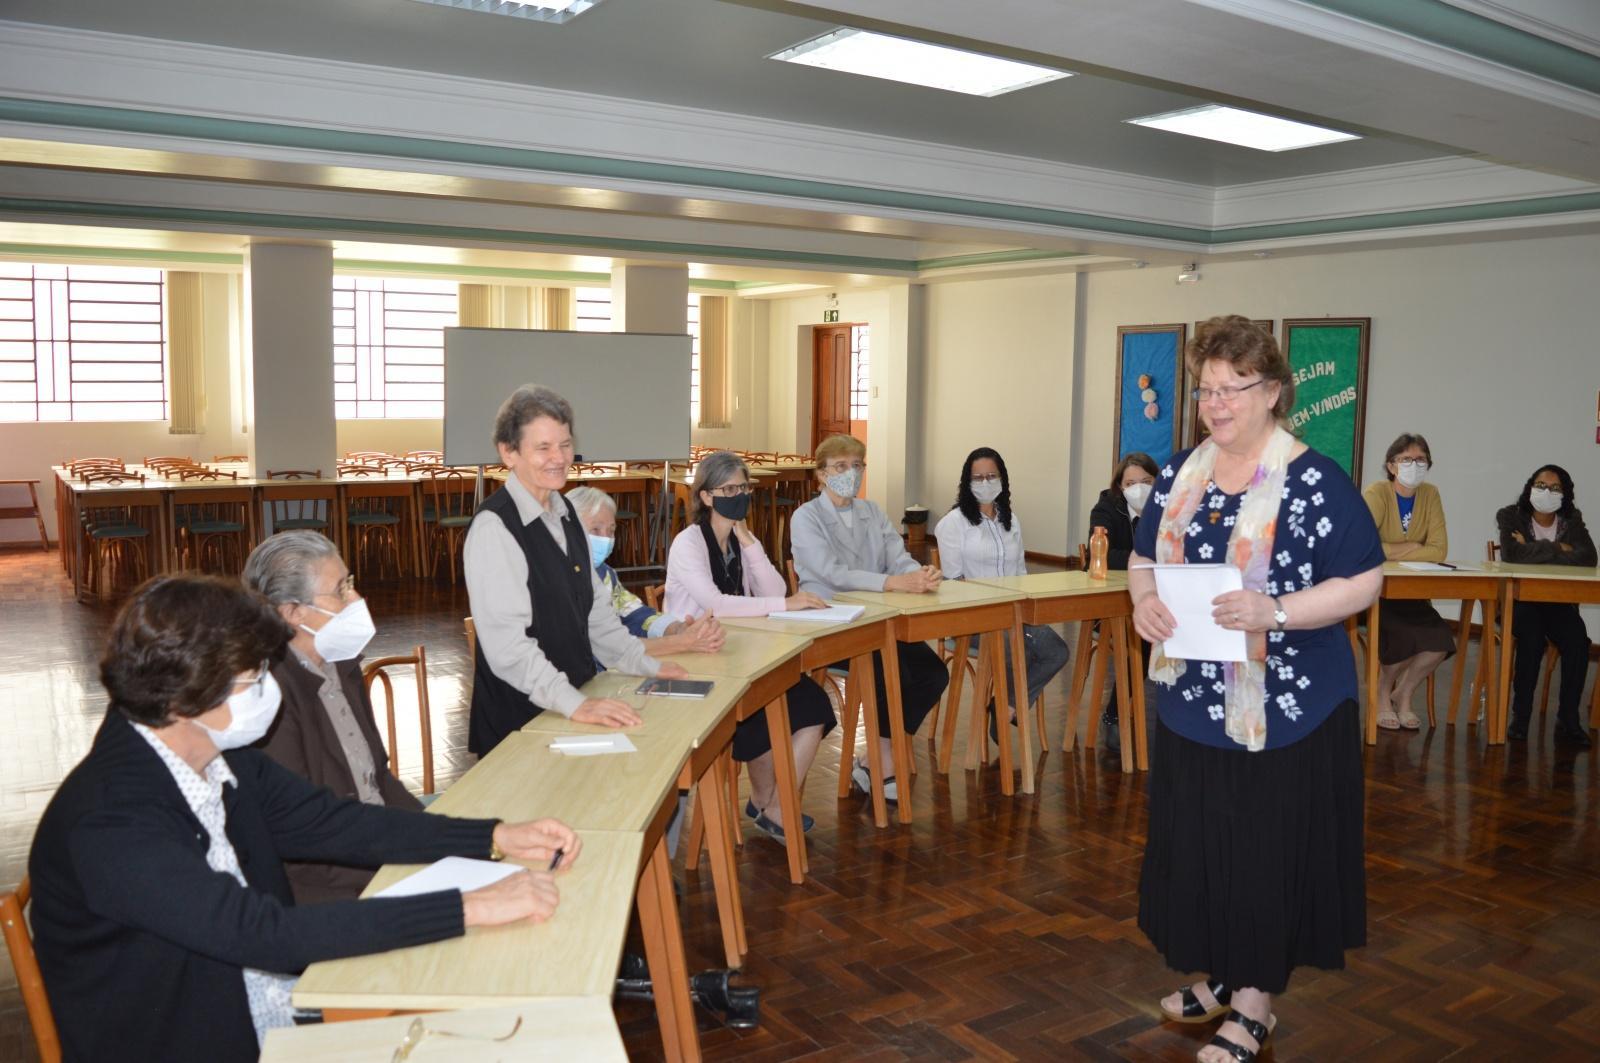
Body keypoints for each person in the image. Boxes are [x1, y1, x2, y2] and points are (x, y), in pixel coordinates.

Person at [28, 574, 581, 1063]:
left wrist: (492, 836)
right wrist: (470, 906)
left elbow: (335, 823)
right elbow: (259, 933)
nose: (269, 692)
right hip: (196, 1038)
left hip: (265, 1008)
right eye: (252, 680)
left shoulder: (219, 756)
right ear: (183, 696)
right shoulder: (110, 824)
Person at [1130, 315, 1384, 1063]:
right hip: (1193, 704)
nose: (1216, 402)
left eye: (1232, 388)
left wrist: (1275, 611)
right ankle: (1222, 975)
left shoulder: (1313, 478)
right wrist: (1143, 597)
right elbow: (1144, 555)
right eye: (1206, 388)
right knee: (1207, 848)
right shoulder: (1182, 471)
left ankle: (1254, 1004)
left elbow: (1365, 580)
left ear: (1272, 391)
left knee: (1263, 854)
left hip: (1287, 711)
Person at [463, 385, 689, 755]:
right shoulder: (495, 528)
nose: (559, 458)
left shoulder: (567, 514)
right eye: (543, 447)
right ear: (508, 452)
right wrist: (575, 703)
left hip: (571, 704)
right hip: (523, 725)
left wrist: (644, 664)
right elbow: (508, 648)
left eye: (565, 444)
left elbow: (597, 616)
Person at [241, 530, 425, 904]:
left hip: (377, 849)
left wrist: (433, 838)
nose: (357, 599)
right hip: (331, 887)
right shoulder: (267, 697)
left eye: (350, 583)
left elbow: (377, 777)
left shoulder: (340, 665)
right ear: (292, 613)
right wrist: (390, 877)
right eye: (341, 590)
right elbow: (301, 840)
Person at [663, 450, 839, 839]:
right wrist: (785, 604)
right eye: (729, 489)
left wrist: (749, 543)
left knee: (815, 705)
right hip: (700, 664)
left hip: (744, 655)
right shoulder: (688, 543)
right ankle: (767, 803)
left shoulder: (740, 541)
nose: (739, 495)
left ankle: (775, 805)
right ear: (706, 497)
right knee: (761, 710)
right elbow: (717, 605)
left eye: (744, 487)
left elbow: (774, 589)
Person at [790, 433, 949, 802]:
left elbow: (897, 556)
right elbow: (832, 573)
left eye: (857, 465)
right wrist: (894, 582)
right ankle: (883, 760)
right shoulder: (806, 517)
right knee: (884, 668)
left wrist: (918, 574)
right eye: (840, 467)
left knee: (932, 673)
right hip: (832, 621)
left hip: (881, 619)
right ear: (821, 475)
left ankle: (878, 751)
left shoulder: (872, 511)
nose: (850, 473)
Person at [933, 446, 1069, 737]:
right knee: (1010, 642)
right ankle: (1009, 710)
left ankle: (1005, 706)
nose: (985, 483)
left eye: (991, 476)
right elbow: (953, 583)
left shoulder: (1010, 519)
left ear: (1002, 479)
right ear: (966, 482)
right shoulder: (952, 524)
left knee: (1056, 650)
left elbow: (1020, 573)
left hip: (1014, 614)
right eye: (978, 477)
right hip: (970, 619)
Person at [1497, 464, 1596, 748]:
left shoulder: (1571, 521)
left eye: (1554, 488)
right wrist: (1557, 548)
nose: (1546, 492)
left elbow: (1588, 558)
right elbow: (1513, 554)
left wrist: (1532, 546)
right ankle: (1521, 717)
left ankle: (1568, 719)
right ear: (1530, 487)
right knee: (1532, 639)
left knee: (1578, 640)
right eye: (1541, 485)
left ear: (1564, 495)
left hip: (1556, 603)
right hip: (1520, 603)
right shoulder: (1511, 515)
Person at [566, 484, 726, 657]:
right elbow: (601, 643)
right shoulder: (555, 579)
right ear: (567, 529)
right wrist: (679, 643)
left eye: (611, 531)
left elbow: (635, 614)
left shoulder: (604, 573)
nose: (605, 538)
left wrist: (678, 628)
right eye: (595, 529)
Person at [1362, 433, 1454, 731]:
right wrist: (1410, 546)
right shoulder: (1377, 493)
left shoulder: (1431, 494)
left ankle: (1403, 694)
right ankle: (1381, 693)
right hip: (1379, 593)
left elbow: (1439, 550)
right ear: (1391, 466)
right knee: (1401, 636)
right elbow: (1364, 544)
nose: (1414, 465)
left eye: (1420, 460)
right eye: (1406, 460)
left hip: (1414, 592)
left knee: (1439, 640)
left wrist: (1388, 549)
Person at [1088, 451, 1159, 749]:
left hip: (1157, 599)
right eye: (1131, 482)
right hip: (1109, 603)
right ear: (1119, 486)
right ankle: (1115, 713)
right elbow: (1099, 557)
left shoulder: (1169, 509)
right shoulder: (1106, 509)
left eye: (1146, 481)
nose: (1139, 488)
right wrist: (1147, 558)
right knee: (1143, 636)